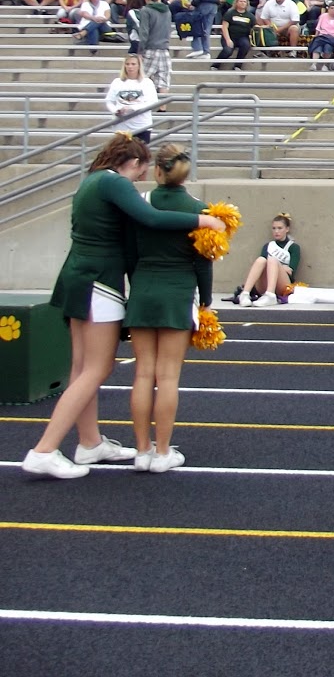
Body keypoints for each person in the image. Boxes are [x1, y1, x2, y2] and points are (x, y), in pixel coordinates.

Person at [21, 135, 223, 479]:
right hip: (100, 280)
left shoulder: (92, 181)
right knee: (97, 369)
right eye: (140, 171)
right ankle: (44, 449)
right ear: (134, 163)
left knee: (81, 366)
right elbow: (152, 219)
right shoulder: (115, 182)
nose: (141, 179)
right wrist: (203, 221)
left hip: (77, 275)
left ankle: (90, 442)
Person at [124, 144, 213, 472]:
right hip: (178, 293)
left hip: (143, 290)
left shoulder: (139, 204)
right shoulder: (200, 209)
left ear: (158, 171)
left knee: (143, 373)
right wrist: (205, 299)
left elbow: (130, 253)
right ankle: (163, 452)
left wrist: (138, 285)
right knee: (169, 376)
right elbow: (204, 263)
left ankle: (142, 450)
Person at [233, 214, 301, 304]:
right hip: (264, 284)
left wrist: (277, 265)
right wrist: (282, 267)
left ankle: (270, 295)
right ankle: (245, 294)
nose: (276, 231)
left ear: (287, 229)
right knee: (261, 260)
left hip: (283, 286)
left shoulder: (294, 247)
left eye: (280, 228)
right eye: (274, 228)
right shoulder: (268, 246)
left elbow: (291, 271)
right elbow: (263, 265)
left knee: (272, 260)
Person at [105, 54, 160, 144]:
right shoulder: (117, 82)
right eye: (128, 64)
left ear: (139, 66)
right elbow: (109, 101)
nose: (130, 67)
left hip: (141, 126)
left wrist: (133, 108)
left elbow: (153, 102)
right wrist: (116, 111)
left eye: (133, 64)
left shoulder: (147, 82)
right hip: (121, 127)